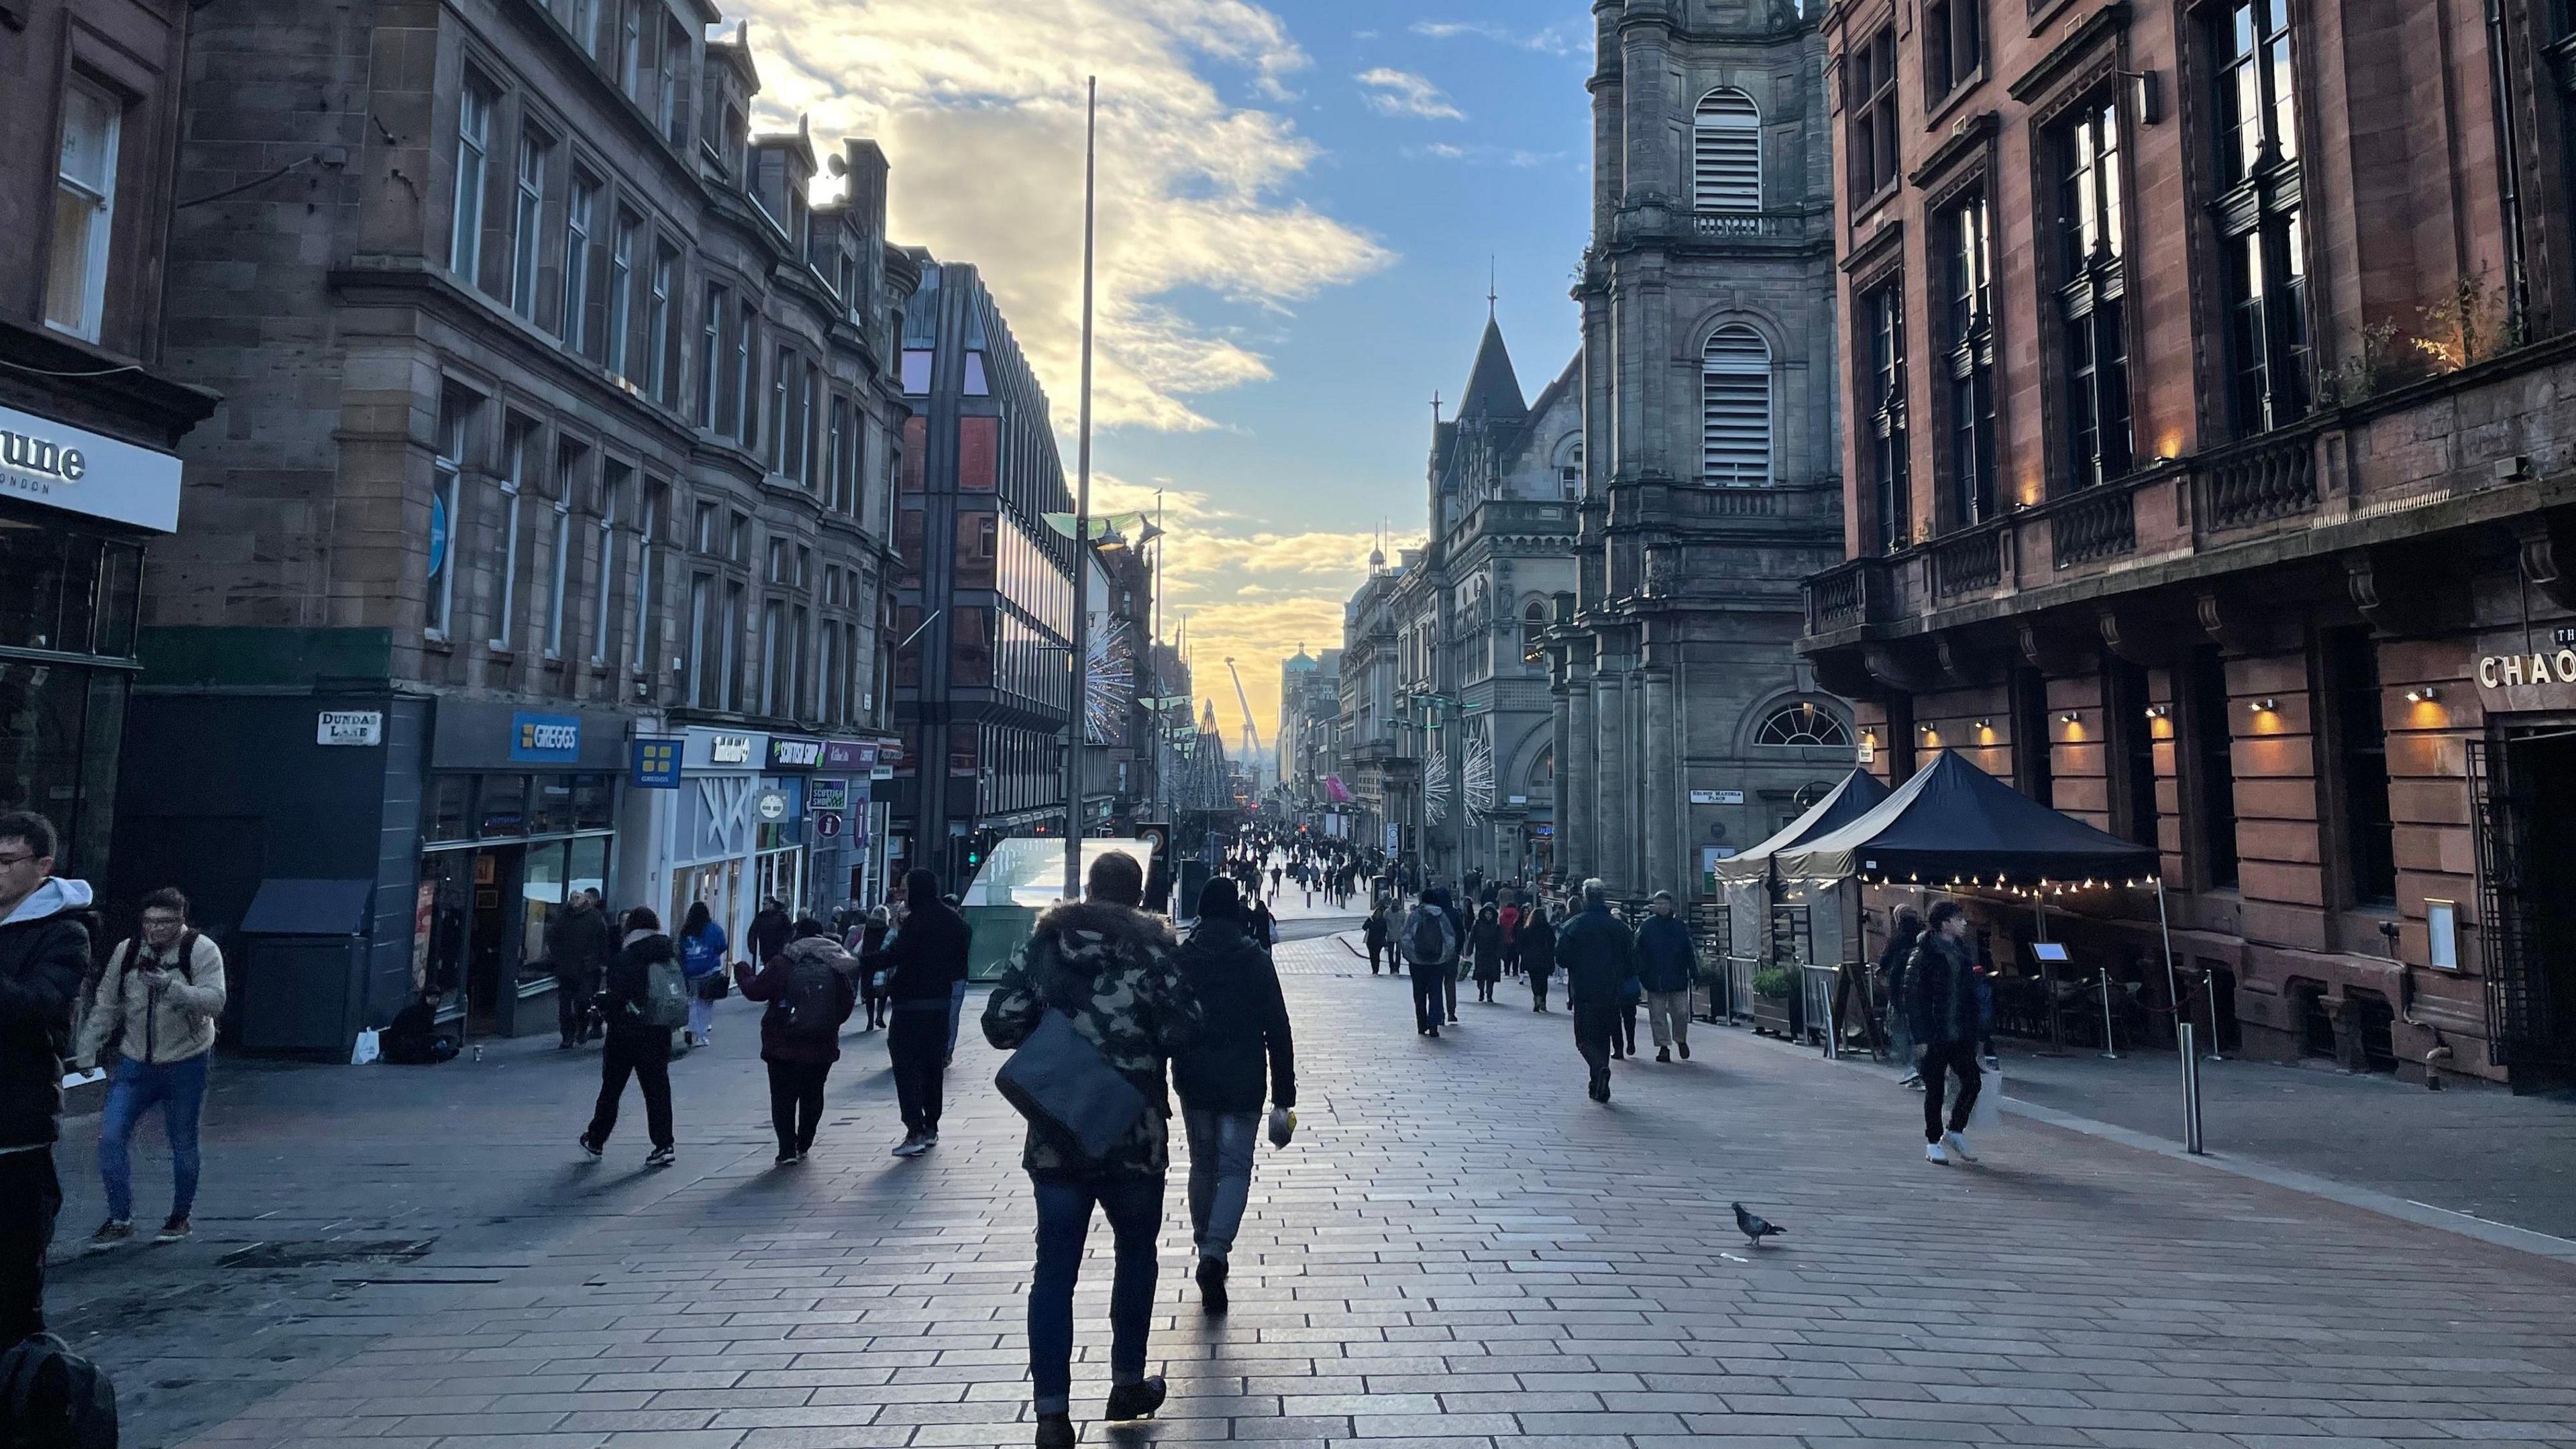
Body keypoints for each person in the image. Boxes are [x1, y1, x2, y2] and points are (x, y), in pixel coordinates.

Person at [982, 851, 1201, 1449]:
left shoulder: (1046, 946)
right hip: (1133, 1133)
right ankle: (1127, 1381)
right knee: (1136, 1256)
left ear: (1086, 889)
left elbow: (1000, 1023)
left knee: (1053, 1273)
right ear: (1137, 895)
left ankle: (1052, 1415)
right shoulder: (1155, 950)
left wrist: (1052, 1021)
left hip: (1058, 1134)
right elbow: (1185, 1029)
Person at [1169, 878, 1294, 1314]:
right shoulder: (1255, 959)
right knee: (1236, 1168)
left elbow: (1164, 1021)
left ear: (1202, 911)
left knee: (1203, 1163)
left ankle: (1206, 1243)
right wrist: (1285, 1095)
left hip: (1195, 1080)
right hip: (1243, 1080)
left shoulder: (1182, 958)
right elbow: (1278, 1030)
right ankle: (1215, 1251)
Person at [77, 887, 226, 1248]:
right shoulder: (128, 951)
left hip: (186, 1059)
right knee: (111, 1135)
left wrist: (173, 987)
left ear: (181, 921)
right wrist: (88, 1047)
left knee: (183, 1140)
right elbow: (107, 1002)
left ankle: (180, 1215)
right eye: (149, 922)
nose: (156, 929)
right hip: (135, 1059)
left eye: (165, 922)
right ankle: (120, 1218)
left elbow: (214, 1001)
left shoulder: (201, 950)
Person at [0, 812, 91, 1344]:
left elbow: (38, 1009)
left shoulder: (65, 934)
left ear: (43, 866)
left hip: (15, 1125)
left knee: (12, 1276)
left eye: (7, 862)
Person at [735, 918, 859, 1165]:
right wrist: (829, 1022)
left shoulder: (783, 963)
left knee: (783, 1097)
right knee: (813, 1094)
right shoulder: (836, 964)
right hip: (822, 1044)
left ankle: (787, 1149)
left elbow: (756, 991)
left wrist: (742, 971)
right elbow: (846, 1003)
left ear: (796, 936)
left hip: (783, 1043)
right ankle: (804, 1142)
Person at [867, 869, 969, 1157]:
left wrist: (861, 964)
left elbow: (897, 956)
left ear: (917, 890)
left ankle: (915, 1129)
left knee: (907, 1068)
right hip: (939, 1004)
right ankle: (932, 1126)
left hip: (911, 1005)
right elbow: (960, 965)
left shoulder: (916, 922)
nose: (901, 893)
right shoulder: (954, 922)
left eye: (905, 888)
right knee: (932, 1067)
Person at [582, 907, 678, 1168]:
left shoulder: (627, 957)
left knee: (612, 1088)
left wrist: (603, 1004)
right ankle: (664, 1144)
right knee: (657, 1089)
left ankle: (596, 1140)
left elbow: (617, 996)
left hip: (626, 1032)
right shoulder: (666, 952)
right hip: (657, 1029)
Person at [1909, 901, 1983, 1165]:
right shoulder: (1924, 955)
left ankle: (1955, 1130)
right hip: (1935, 1033)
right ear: (1944, 923)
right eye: (1958, 919)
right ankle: (1933, 1141)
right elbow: (1914, 998)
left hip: (1960, 1032)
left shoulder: (1962, 953)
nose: (1964, 923)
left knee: (1973, 1081)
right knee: (1935, 1088)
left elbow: (1970, 997)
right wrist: (1920, 1038)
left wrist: (1978, 1034)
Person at [1556, 880, 1632, 1103]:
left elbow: (1561, 958)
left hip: (1584, 990)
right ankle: (1599, 1086)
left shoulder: (1575, 925)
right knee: (1603, 1037)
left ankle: (1599, 1069)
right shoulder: (1618, 927)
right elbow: (1631, 959)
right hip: (1612, 991)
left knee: (1584, 1039)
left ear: (1585, 897)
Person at [547, 887, 614, 1048]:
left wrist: (601, 962)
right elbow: (553, 938)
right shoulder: (564, 917)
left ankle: (581, 1029)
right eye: (572, 898)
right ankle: (567, 1036)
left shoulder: (595, 918)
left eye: (578, 898)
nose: (574, 901)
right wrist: (558, 957)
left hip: (587, 969)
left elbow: (603, 942)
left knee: (583, 1002)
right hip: (566, 968)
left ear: (585, 899)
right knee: (565, 1005)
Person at [1633, 891, 1695, 1064]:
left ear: (1670, 905)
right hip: (1655, 977)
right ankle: (1663, 1047)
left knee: (1681, 1013)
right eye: (1658, 903)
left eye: (1664, 903)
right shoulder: (1646, 926)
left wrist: (1694, 970)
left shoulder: (1679, 925)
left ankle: (1680, 1039)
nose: (1661, 906)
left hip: (1677, 975)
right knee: (1657, 1015)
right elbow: (1637, 951)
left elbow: (1688, 950)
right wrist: (1641, 972)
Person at [1399, 887, 1458, 1038]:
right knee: (1435, 993)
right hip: (1437, 963)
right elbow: (1450, 939)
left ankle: (1421, 1024)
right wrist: (1444, 957)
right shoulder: (1441, 916)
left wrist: (1412, 956)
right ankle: (1433, 1026)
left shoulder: (1415, 915)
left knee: (1419, 994)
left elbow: (1405, 938)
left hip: (1417, 963)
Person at [1877, 906, 1925, 1087]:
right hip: (1919, 994)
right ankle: (1918, 1067)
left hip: (1899, 992)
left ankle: (1915, 1067)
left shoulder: (1897, 939)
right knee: (1918, 1032)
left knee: (1898, 1029)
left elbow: (1885, 962)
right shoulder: (1922, 937)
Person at [677, 902, 727, 1048]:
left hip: (690, 971)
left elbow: (681, 950)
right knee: (706, 1003)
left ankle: (690, 1028)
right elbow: (722, 946)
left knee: (692, 1002)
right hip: (709, 971)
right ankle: (701, 1035)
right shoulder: (714, 929)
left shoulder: (686, 930)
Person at [380, 989, 458, 1064]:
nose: (436, 1000)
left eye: (437, 998)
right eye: (432, 998)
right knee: (428, 1048)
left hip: (410, 1040)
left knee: (449, 1040)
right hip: (403, 1043)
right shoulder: (419, 1012)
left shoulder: (429, 1011)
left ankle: (443, 1052)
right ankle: (442, 1054)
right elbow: (418, 1034)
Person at [854, 905, 893, 1031]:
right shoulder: (887, 929)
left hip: (867, 962)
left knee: (869, 993)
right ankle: (879, 1017)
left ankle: (870, 1022)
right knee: (882, 991)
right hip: (881, 962)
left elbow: (865, 944)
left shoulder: (868, 927)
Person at [1469, 905, 1503, 1004]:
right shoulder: (1478, 925)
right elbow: (1472, 939)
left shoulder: (1496, 927)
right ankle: (1481, 991)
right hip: (1481, 953)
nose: (1488, 916)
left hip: (1493, 954)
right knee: (1481, 974)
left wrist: (1500, 953)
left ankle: (1489, 994)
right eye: (1487, 914)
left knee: (1491, 975)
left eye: (1490, 914)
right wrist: (1469, 951)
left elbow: (1500, 941)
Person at [1362, 902, 1390, 975]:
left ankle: (1376, 969)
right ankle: (1374, 969)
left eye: (1380, 913)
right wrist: (1368, 923)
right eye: (1377, 913)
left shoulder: (1383, 921)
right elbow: (1364, 928)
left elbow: (1385, 930)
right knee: (1372, 955)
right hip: (1370, 941)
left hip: (1379, 941)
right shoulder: (1370, 920)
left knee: (1377, 955)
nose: (1378, 914)